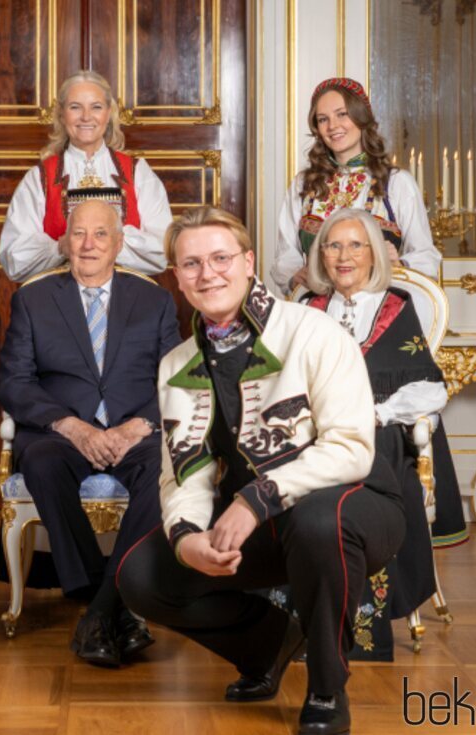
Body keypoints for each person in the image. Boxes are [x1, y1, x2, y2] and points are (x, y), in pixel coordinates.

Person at [117, 206, 405, 735]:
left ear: (249, 262)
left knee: (319, 520)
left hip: (354, 506)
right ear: (178, 279)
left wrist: (255, 499)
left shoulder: (313, 332)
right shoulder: (176, 363)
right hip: (260, 524)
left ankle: (326, 687)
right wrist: (185, 539)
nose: (209, 274)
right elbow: (183, 473)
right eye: (192, 264)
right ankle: (268, 645)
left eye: (221, 258)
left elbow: (351, 449)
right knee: (141, 576)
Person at [0, 200, 180, 667]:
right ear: (64, 242)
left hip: (136, 429)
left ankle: (101, 608)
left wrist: (137, 426)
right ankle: (113, 598)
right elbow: (14, 382)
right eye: (79, 234)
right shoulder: (33, 299)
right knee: (39, 460)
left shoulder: (154, 299)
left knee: (165, 465)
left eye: (101, 235)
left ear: (119, 244)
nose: (89, 244)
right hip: (62, 430)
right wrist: (72, 426)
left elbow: (177, 377)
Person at [298, 207, 463, 659]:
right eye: (333, 245)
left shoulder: (397, 307)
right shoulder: (305, 309)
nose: (344, 255)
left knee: (387, 442)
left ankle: (361, 628)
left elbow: (429, 390)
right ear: (321, 256)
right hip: (312, 435)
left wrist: (376, 412)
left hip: (376, 435)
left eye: (355, 245)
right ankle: (290, 620)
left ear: (374, 254)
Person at [0, 70, 173, 282]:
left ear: (108, 114)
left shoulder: (138, 172)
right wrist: (60, 247)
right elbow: (13, 259)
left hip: (126, 300)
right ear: (62, 115)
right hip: (60, 299)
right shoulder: (40, 177)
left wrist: (107, 242)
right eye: (75, 107)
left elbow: (164, 250)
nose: (86, 117)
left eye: (96, 107)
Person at [271, 77, 440, 295]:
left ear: (361, 116)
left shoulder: (397, 183)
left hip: (378, 313)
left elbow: (426, 256)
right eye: (323, 119)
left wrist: (399, 264)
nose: (333, 126)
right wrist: (294, 275)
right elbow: (285, 256)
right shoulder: (304, 184)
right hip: (316, 314)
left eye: (342, 114)